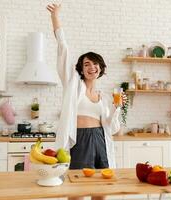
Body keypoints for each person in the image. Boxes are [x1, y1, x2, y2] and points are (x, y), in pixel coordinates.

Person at [47, 4, 122, 200]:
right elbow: (63, 48)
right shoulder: (74, 84)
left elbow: (112, 128)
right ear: (80, 69)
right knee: (77, 190)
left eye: (95, 64)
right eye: (86, 64)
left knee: (101, 190)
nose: (92, 67)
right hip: (80, 140)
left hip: (101, 140)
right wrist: (55, 17)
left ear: (101, 68)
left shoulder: (104, 97)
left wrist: (117, 108)